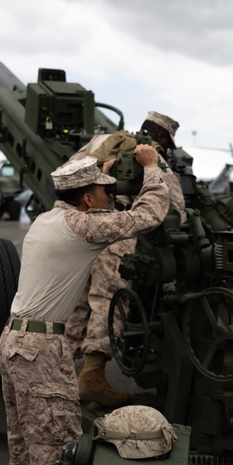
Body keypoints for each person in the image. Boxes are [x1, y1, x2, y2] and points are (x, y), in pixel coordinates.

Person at [0, 147, 168, 465]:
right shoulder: (82, 225)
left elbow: (91, 202)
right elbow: (147, 216)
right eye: (102, 191)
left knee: (22, 441)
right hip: (41, 348)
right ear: (88, 199)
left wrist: (100, 174)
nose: (109, 196)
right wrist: (150, 168)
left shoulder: (48, 219)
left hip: (13, 340)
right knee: (57, 448)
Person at [67, 112, 187, 403]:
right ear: (160, 137)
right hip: (117, 230)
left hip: (82, 224)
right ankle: (93, 374)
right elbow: (177, 213)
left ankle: (61, 368)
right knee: (110, 297)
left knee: (80, 298)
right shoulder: (152, 155)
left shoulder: (104, 142)